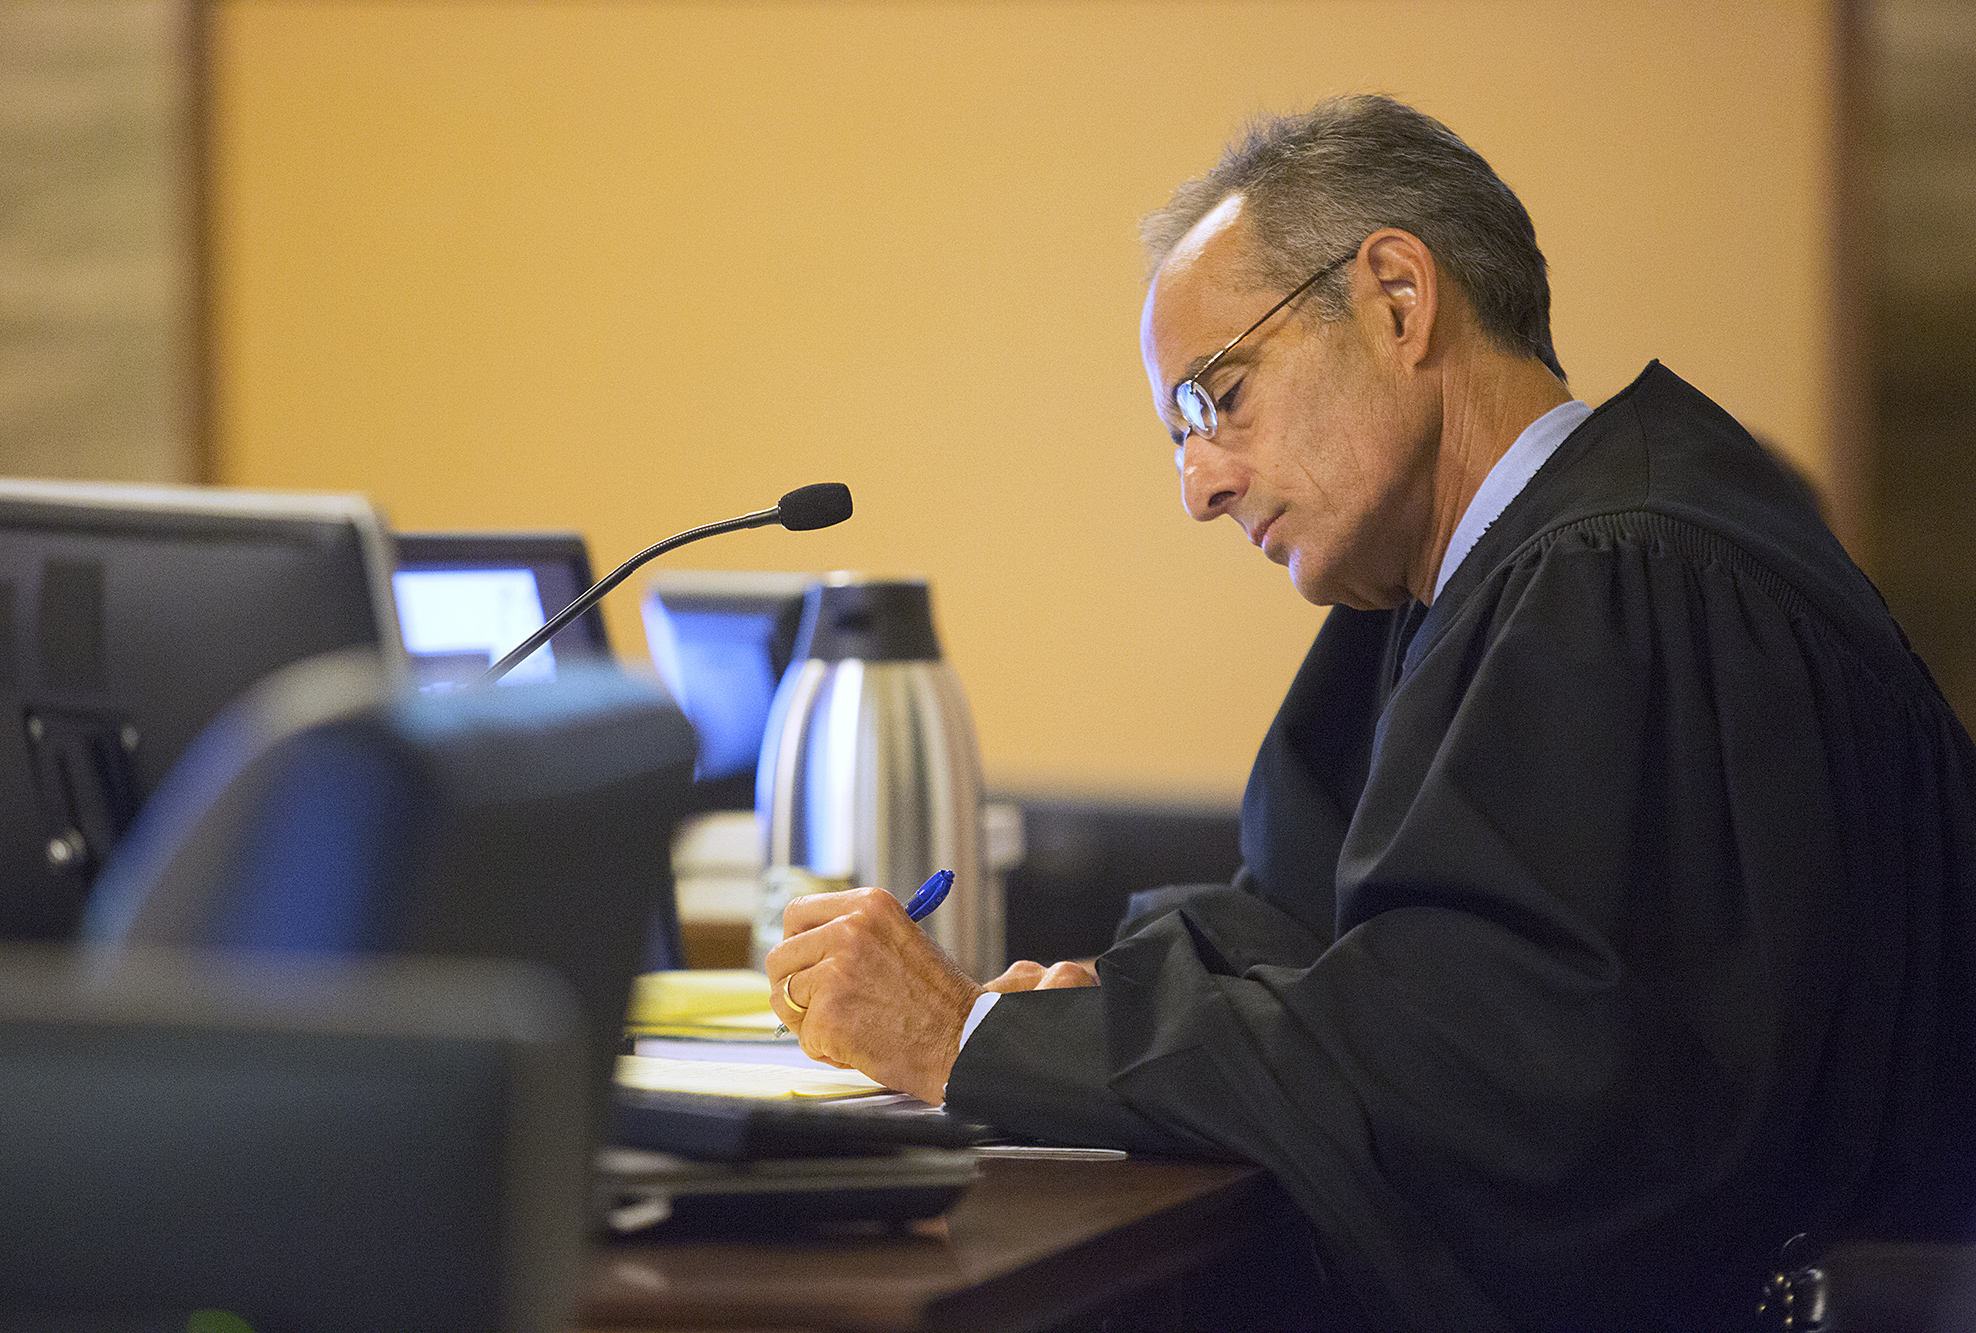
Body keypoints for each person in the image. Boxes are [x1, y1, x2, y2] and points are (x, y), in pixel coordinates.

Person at [762, 94, 1976, 1330]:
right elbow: (1305, 924)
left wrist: (974, 1040)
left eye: (1216, 396)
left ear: (1397, 298)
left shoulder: (1624, 577)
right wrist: (1087, 1008)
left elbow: (1491, 1082)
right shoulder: (1463, 586)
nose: (1198, 484)